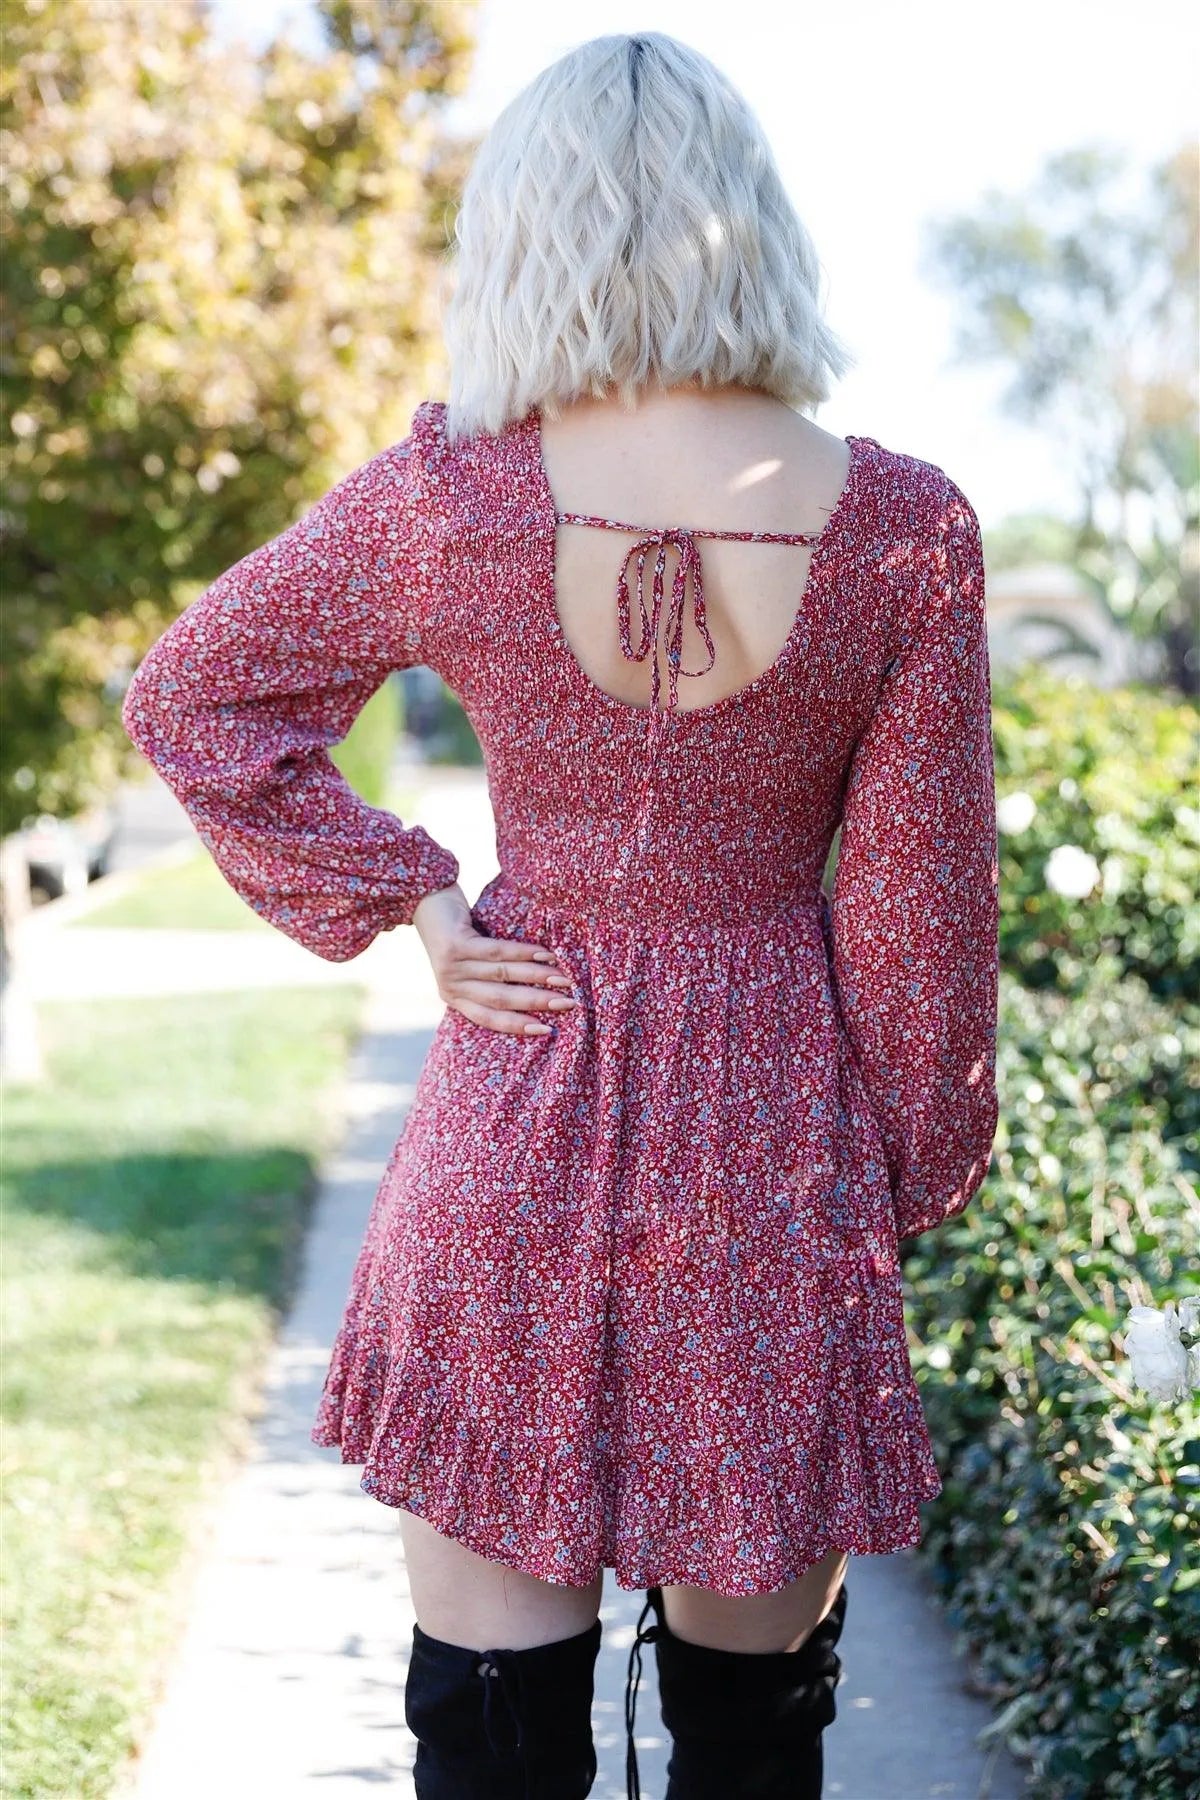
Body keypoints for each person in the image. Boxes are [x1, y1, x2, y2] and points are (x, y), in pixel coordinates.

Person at [121, 29, 1000, 1800]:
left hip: (517, 1109)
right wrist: (898, 1177)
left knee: (491, 1739)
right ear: (752, 221)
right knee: (757, 1744)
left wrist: (417, 901)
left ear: (525, 231)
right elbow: (924, 931)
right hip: (773, 1155)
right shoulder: (905, 531)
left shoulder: (451, 497)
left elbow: (192, 697)